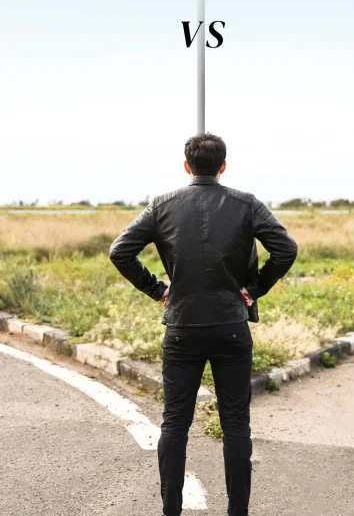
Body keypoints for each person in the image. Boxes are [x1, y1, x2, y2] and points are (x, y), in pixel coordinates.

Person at [109, 132, 298, 516]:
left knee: (175, 424)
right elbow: (286, 248)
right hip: (231, 327)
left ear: (187, 166)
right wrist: (254, 288)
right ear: (223, 166)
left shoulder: (162, 205)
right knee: (236, 425)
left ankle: (171, 511)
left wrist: (157, 290)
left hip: (182, 328)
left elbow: (120, 251)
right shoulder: (247, 203)